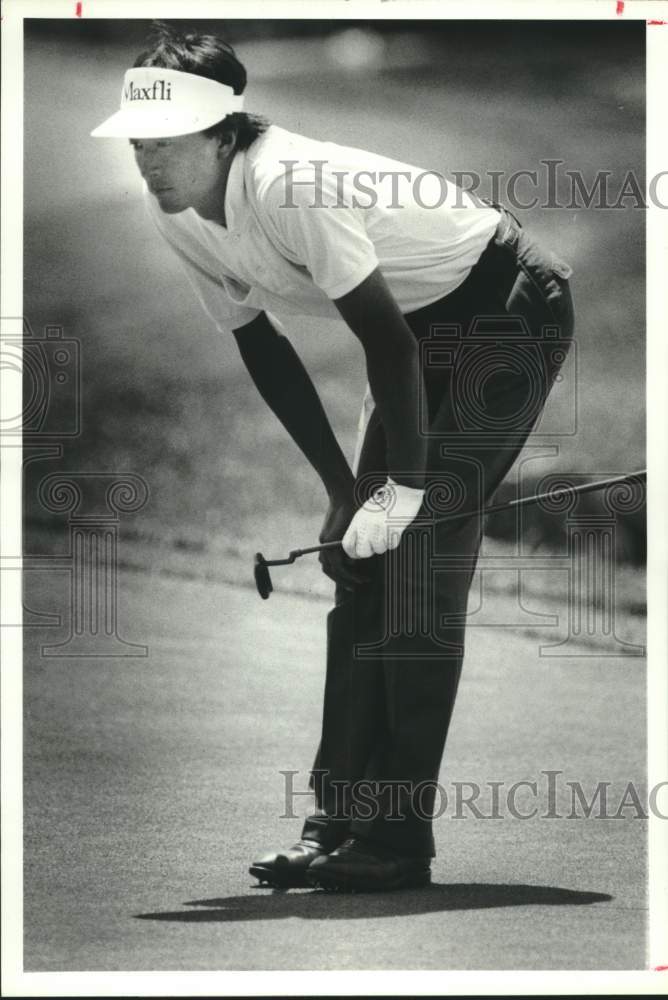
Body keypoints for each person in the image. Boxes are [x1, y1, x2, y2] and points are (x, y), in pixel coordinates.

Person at [92, 23, 574, 893]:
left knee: (416, 565)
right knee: (359, 564)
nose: (148, 162)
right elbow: (262, 346)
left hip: (505, 310)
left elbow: (383, 341)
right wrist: (343, 491)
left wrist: (409, 489)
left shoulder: (288, 184)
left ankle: (394, 841)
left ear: (222, 133)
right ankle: (336, 823)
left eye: (166, 145)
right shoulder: (181, 216)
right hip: (424, 332)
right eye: (137, 144)